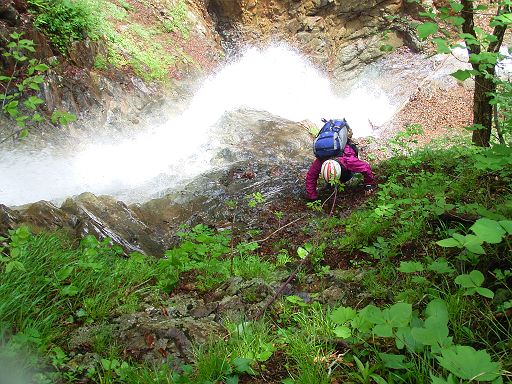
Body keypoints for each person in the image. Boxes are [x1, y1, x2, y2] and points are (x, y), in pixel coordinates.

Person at [305, 131, 376, 201]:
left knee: (347, 177)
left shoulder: (348, 161)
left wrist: (368, 184)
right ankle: (332, 183)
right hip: (339, 160)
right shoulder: (320, 160)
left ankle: (342, 179)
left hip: (347, 156)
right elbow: (311, 176)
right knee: (330, 184)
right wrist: (312, 197)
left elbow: (365, 167)